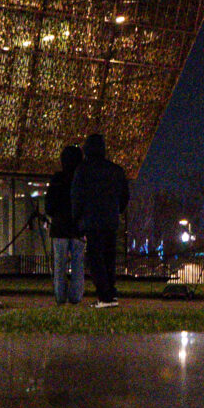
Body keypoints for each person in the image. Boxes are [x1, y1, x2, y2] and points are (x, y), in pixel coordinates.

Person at [70, 131, 129, 307]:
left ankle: (104, 296)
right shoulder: (116, 170)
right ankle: (111, 292)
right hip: (110, 220)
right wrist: (117, 211)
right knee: (109, 257)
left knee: (95, 259)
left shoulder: (83, 170)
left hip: (92, 220)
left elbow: (77, 196)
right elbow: (124, 196)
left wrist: (77, 218)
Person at [43, 143, 84, 306]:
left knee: (59, 265)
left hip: (60, 228)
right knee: (78, 265)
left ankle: (60, 297)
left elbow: (49, 206)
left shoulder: (57, 180)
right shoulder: (81, 179)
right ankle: (75, 297)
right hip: (77, 228)